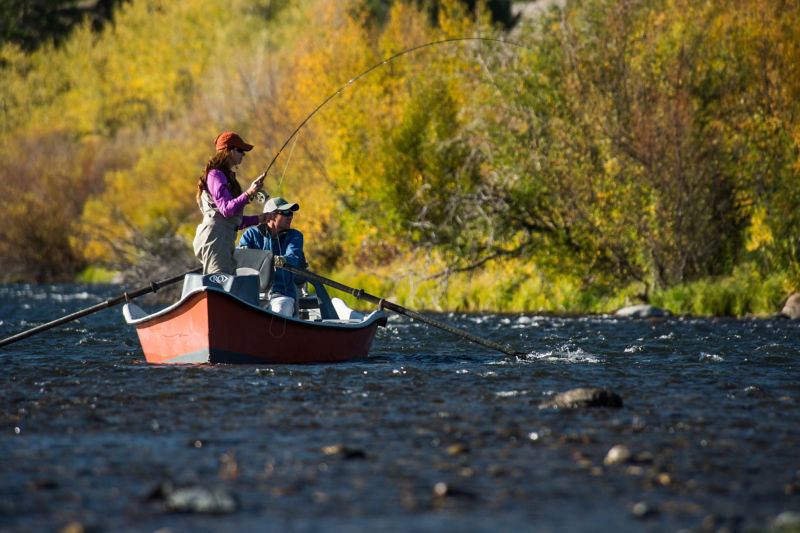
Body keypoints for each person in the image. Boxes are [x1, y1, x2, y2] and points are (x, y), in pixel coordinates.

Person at [193, 132, 268, 275]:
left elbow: (231, 221)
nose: (243, 155)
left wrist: (259, 219)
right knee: (220, 286)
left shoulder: (224, 176)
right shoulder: (216, 175)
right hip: (216, 241)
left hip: (222, 240)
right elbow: (226, 210)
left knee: (227, 285)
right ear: (228, 151)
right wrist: (249, 193)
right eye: (240, 150)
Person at [238, 196, 306, 316]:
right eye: (285, 213)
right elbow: (239, 259)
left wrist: (283, 260)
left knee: (280, 311)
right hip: (251, 293)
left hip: (281, 294)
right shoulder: (250, 234)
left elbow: (294, 258)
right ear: (270, 216)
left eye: (291, 213)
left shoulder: (295, 236)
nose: (290, 216)